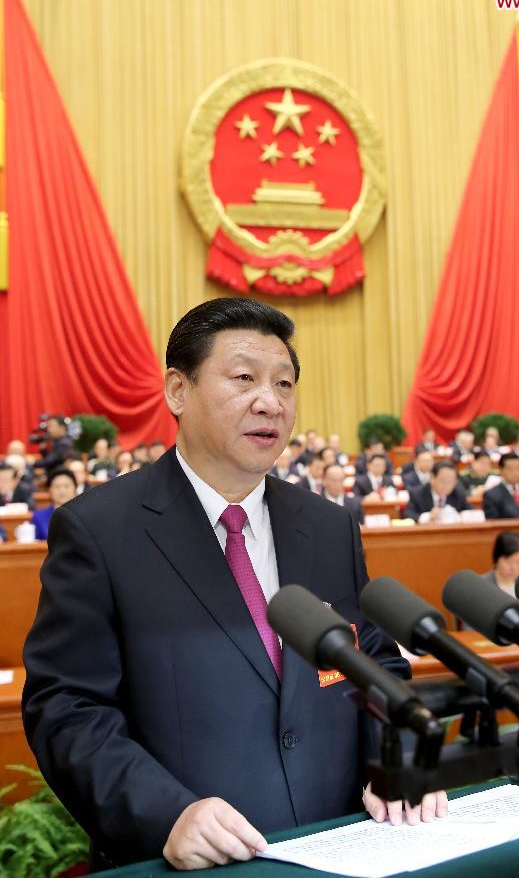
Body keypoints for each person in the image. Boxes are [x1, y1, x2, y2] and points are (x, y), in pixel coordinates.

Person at [23, 298, 445, 871]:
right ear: (178, 390)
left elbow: (374, 666)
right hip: (197, 863)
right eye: (244, 378)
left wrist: (395, 762)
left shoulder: (327, 525)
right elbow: (67, 707)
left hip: (342, 849)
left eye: (285, 384)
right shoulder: (101, 530)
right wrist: (164, 813)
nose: (269, 401)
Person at [472, 532, 519, 628]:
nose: (513, 567)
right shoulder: (479, 586)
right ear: (497, 558)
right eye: (508, 561)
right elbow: (470, 626)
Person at [405, 462, 471, 523]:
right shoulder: (417, 493)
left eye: (451, 481)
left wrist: (460, 516)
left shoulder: (458, 494)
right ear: (432, 478)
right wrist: (428, 516)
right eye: (443, 481)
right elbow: (408, 515)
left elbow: (471, 512)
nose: (447, 485)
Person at [483, 453, 519, 519]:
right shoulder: (491, 495)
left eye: (518, 468)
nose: (515, 472)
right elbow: (493, 524)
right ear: (501, 470)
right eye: (510, 469)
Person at [31, 468, 78, 540]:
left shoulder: (84, 515)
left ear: (75, 488)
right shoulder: (39, 516)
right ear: (49, 490)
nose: (62, 490)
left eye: (66, 486)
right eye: (57, 486)